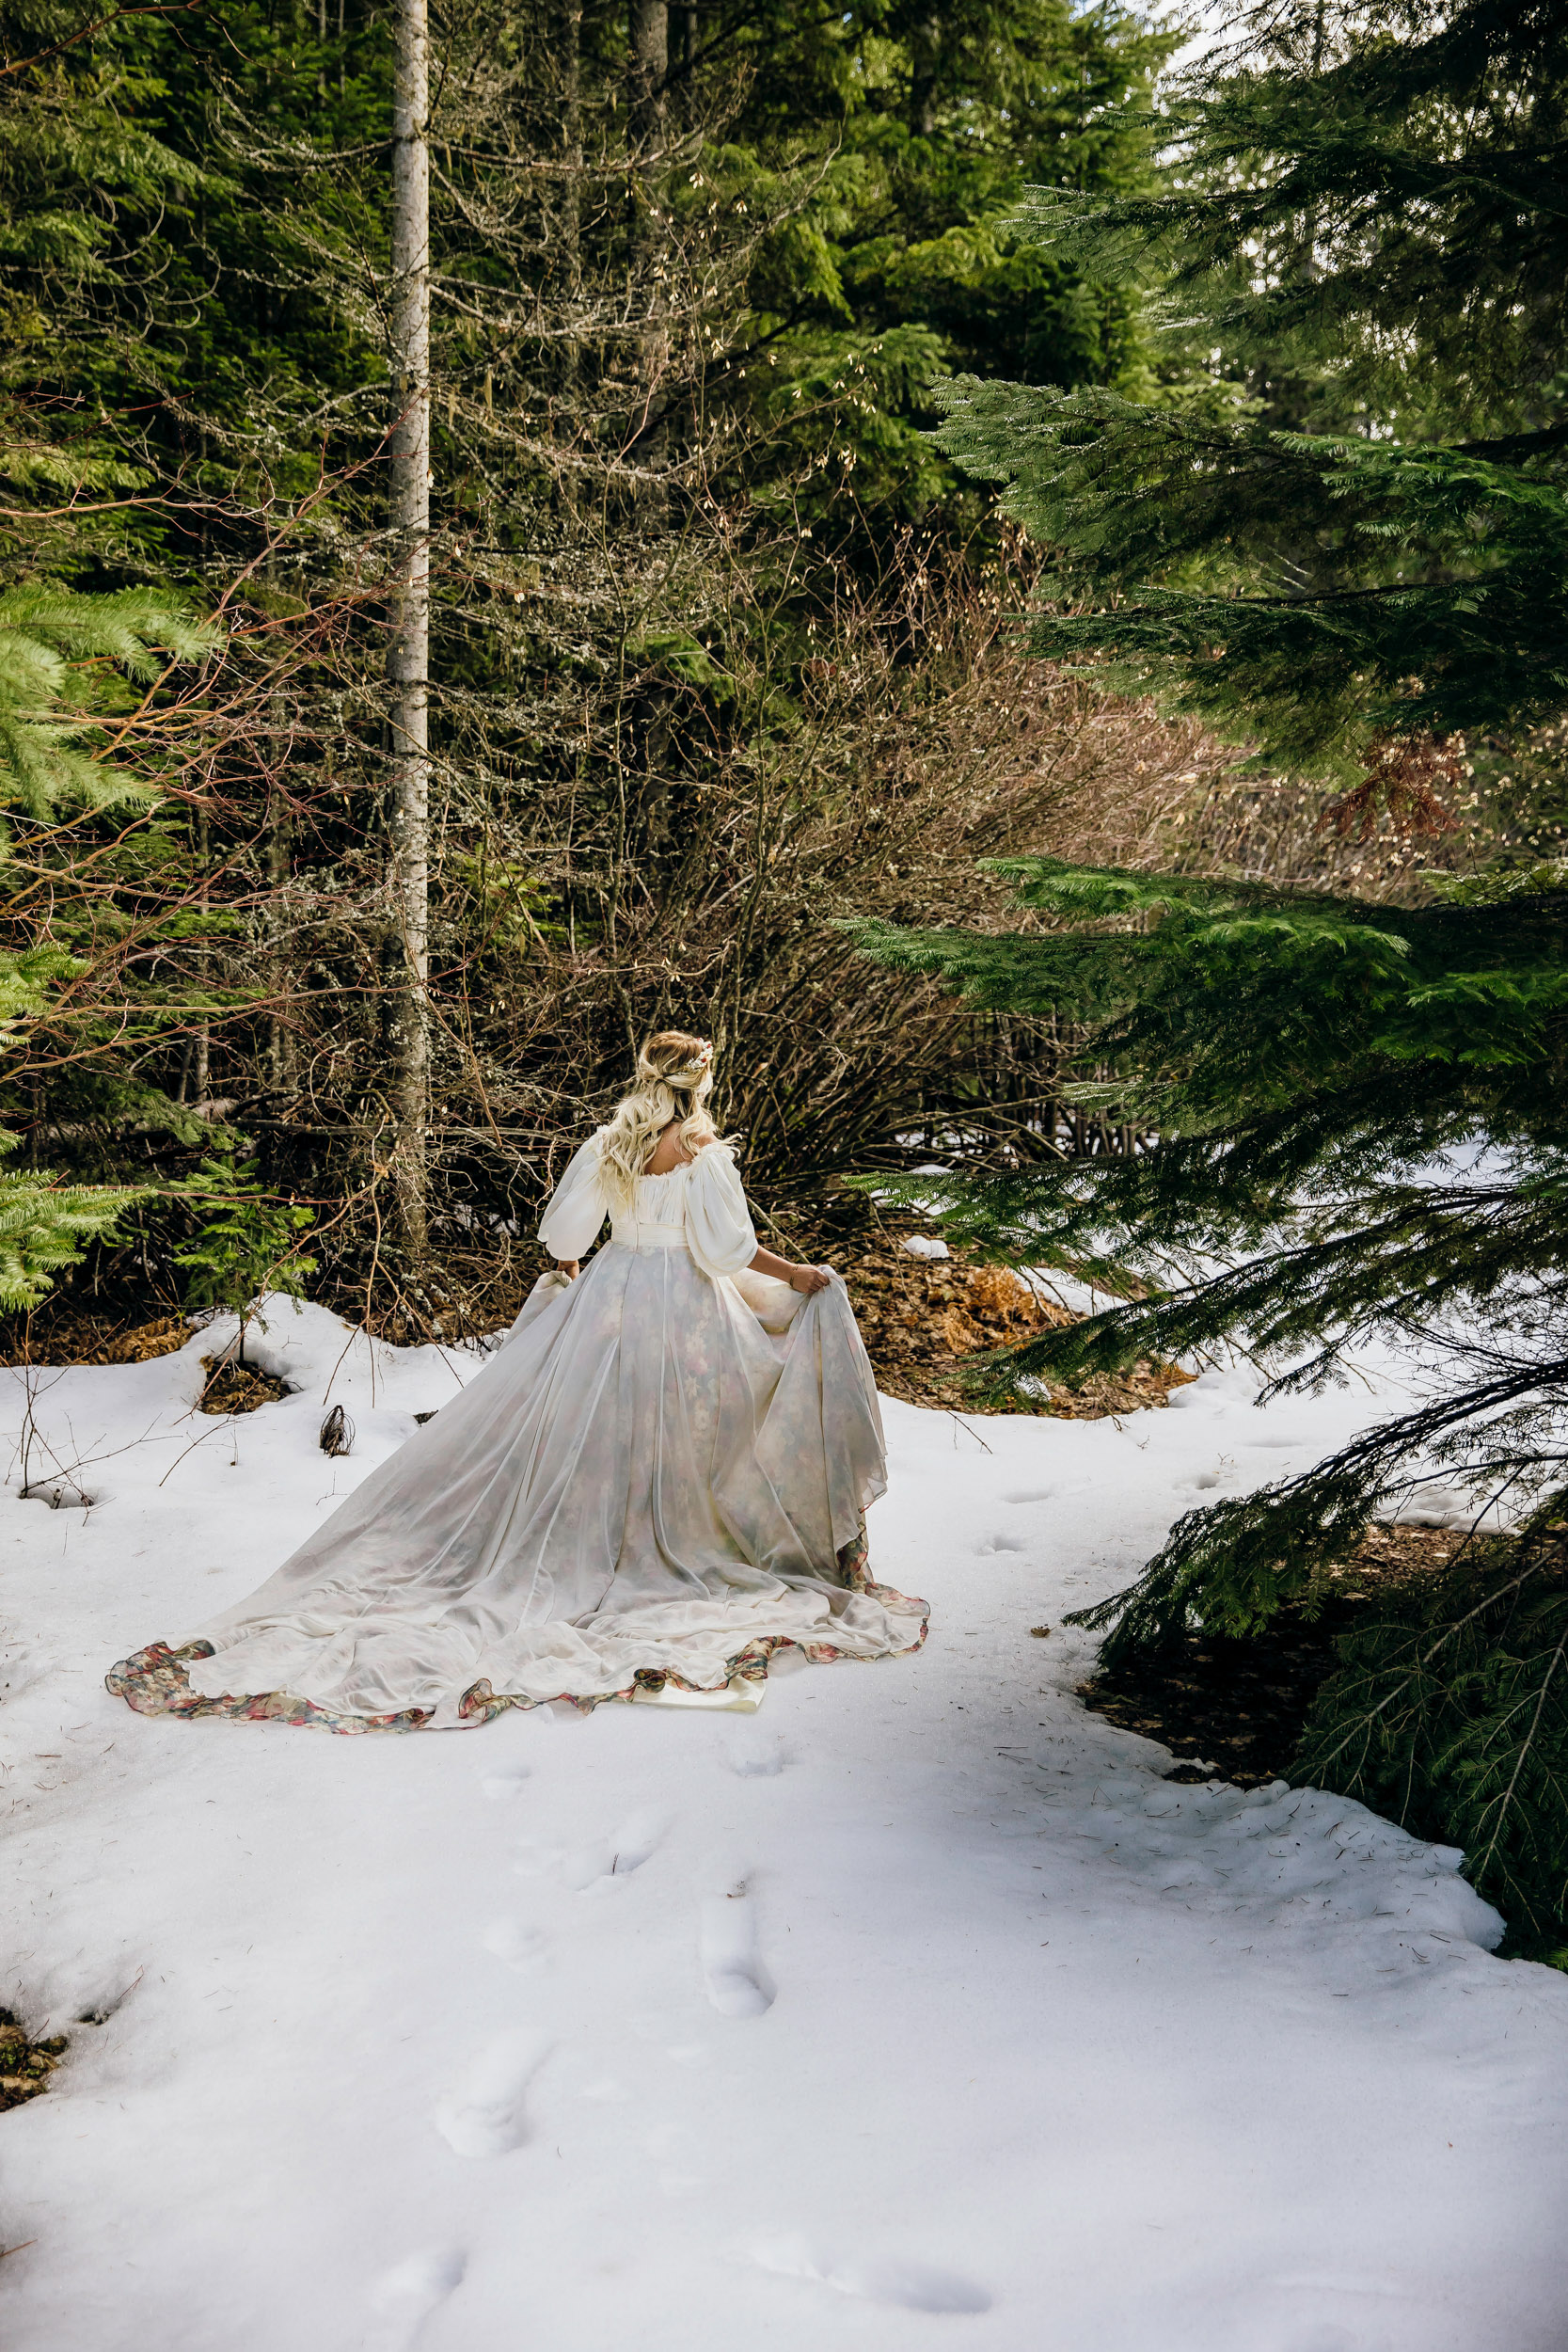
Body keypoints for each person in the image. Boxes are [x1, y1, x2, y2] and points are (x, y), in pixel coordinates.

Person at [108, 1031, 927, 1730]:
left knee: (597, 1428)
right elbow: (727, 1252)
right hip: (683, 1302)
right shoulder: (704, 1156)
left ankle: (612, 1539)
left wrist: (577, 1267)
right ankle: (668, 1543)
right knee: (695, 1426)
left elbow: (565, 1235)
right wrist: (800, 1275)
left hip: (612, 1295)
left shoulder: (608, 1146)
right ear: (699, 1086)